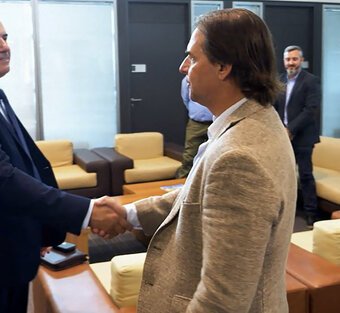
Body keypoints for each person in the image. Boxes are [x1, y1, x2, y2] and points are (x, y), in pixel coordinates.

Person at [0, 6, 130, 313]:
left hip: (7, 253)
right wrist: (87, 212)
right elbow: (0, 176)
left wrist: (42, 230)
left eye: (5, 37)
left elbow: (26, 168)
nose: (5, 45)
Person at [96, 8, 297, 313]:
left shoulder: (239, 157)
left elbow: (223, 301)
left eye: (192, 57)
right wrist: (129, 213)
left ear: (223, 66)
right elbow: (198, 196)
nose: (182, 67)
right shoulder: (251, 122)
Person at [274, 45, 321, 227]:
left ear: (301, 60)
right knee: (284, 174)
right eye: (288, 59)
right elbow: (275, 108)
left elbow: (310, 110)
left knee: (305, 175)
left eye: (294, 59)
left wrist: (291, 129)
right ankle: (284, 210)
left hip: (303, 137)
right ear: (284, 61)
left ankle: (311, 213)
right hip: (283, 136)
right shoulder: (280, 81)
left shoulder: (311, 81)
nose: (291, 63)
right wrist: (281, 129)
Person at [176, 76, 213, 178]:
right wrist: (195, 111)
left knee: (215, 154)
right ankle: (182, 182)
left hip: (215, 122)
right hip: (196, 123)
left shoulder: (216, 78)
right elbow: (186, 99)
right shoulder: (187, 79)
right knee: (189, 155)